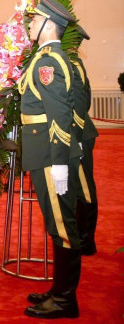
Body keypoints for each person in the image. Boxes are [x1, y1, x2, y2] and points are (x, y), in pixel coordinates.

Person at [20, 0, 84, 319]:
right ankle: (59, 289)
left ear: (49, 24)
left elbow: (59, 115)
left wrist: (58, 164)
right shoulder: (49, 57)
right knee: (57, 222)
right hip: (45, 150)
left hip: (49, 153)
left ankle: (64, 300)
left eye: (35, 19)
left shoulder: (48, 62)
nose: (30, 24)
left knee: (61, 225)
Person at [70, 52, 98, 257]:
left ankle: (86, 240)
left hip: (77, 133)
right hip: (70, 134)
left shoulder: (72, 62)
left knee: (84, 189)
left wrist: (77, 135)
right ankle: (78, 236)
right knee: (75, 188)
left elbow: (82, 101)